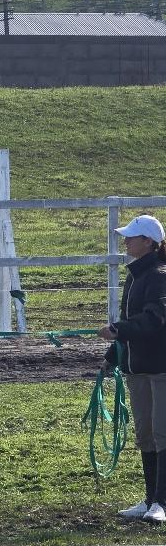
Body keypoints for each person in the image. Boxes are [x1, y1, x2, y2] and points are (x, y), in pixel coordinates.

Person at [98, 214, 166, 522]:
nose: (125, 241)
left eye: (131, 237)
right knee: (146, 435)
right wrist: (114, 354)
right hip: (137, 367)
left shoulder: (160, 276)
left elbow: (154, 318)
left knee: (162, 433)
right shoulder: (137, 275)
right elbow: (133, 322)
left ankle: (162, 503)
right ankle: (151, 499)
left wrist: (119, 330)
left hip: (161, 367)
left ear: (148, 242)